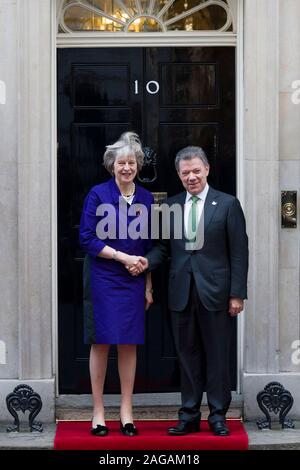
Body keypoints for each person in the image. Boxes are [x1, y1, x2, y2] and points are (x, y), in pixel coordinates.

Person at [129, 146, 248, 437]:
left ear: (206, 169)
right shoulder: (171, 206)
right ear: (179, 176)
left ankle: (218, 415)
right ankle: (189, 415)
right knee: (187, 356)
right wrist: (145, 263)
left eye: (196, 170)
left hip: (216, 294)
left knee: (218, 356)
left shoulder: (228, 204)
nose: (191, 177)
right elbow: (163, 248)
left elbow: (239, 253)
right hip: (180, 292)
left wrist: (237, 294)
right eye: (185, 173)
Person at [79, 132, 154, 437]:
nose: (126, 167)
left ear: (138, 165)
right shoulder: (98, 194)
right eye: (121, 162)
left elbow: (149, 245)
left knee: (129, 341)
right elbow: (87, 238)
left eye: (132, 162)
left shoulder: (147, 198)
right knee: (102, 341)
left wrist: (148, 284)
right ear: (112, 165)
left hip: (135, 278)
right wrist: (123, 257)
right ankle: (98, 410)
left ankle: (126, 410)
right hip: (104, 276)